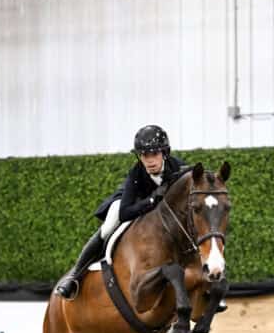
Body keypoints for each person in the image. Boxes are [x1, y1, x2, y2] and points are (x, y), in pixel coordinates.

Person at [54, 124, 185, 299]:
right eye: (144, 155)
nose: (150, 160)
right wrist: (153, 199)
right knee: (108, 227)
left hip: (161, 210)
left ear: (165, 153)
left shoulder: (178, 167)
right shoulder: (136, 174)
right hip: (131, 202)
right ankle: (74, 276)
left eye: (154, 154)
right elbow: (125, 213)